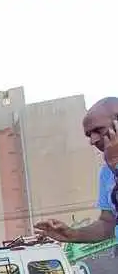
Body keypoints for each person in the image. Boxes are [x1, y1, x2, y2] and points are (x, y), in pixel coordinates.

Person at [35, 97, 118, 242]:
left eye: (98, 130)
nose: (93, 140)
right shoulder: (106, 172)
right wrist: (73, 234)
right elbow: (108, 223)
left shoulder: (112, 164)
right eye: (89, 135)